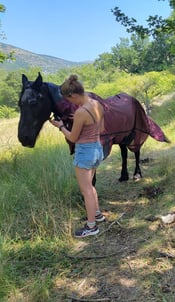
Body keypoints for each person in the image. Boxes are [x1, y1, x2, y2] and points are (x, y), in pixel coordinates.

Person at [50, 75, 105, 238]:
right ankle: (97, 214)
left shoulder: (81, 112)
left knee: (86, 189)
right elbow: (100, 127)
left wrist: (60, 126)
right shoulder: (96, 104)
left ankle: (91, 226)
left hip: (85, 152)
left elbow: (72, 138)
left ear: (73, 95)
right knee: (90, 186)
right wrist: (81, 120)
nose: (70, 103)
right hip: (97, 148)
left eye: (69, 100)